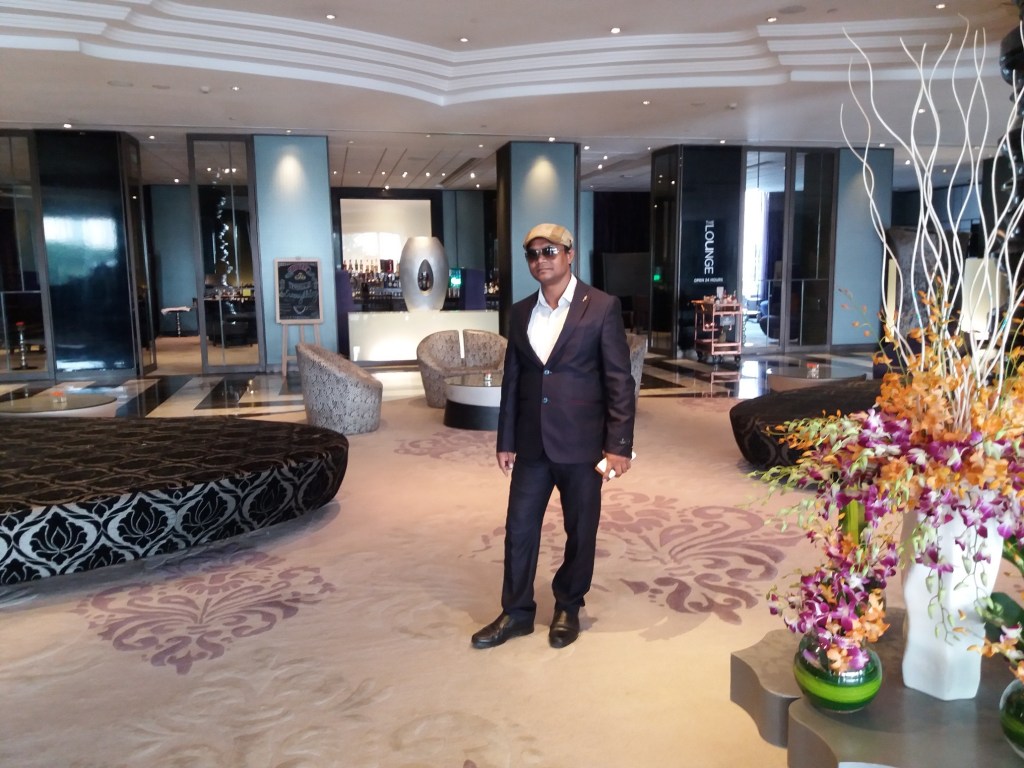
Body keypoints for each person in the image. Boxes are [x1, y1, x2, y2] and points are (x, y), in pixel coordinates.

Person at [471, 222, 636, 650]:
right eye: (533, 253)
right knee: (519, 528)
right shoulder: (520, 311)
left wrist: (619, 445)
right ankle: (516, 612)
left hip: (583, 445)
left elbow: (619, 380)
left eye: (550, 251)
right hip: (531, 445)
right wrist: (506, 439)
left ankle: (568, 605)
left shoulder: (601, 307)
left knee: (581, 530)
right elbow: (513, 380)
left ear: (569, 254)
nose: (541, 260)